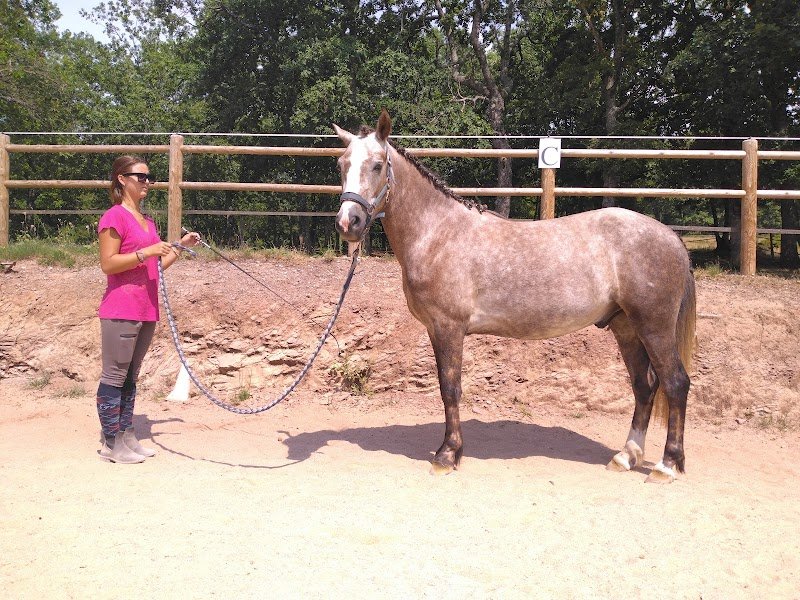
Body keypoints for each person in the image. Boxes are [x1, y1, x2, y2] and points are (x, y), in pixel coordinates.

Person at [95, 155, 200, 464]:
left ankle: (126, 435)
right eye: (140, 177)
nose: (147, 182)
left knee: (130, 376)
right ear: (121, 179)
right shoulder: (114, 217)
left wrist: (180, 246)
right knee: (114, 376)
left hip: (146, 308)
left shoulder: (147, 221)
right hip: (121, 308)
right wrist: (146, 252)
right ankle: (111, 442)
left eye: (149, 178)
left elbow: (155, 267)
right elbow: (108, 264)